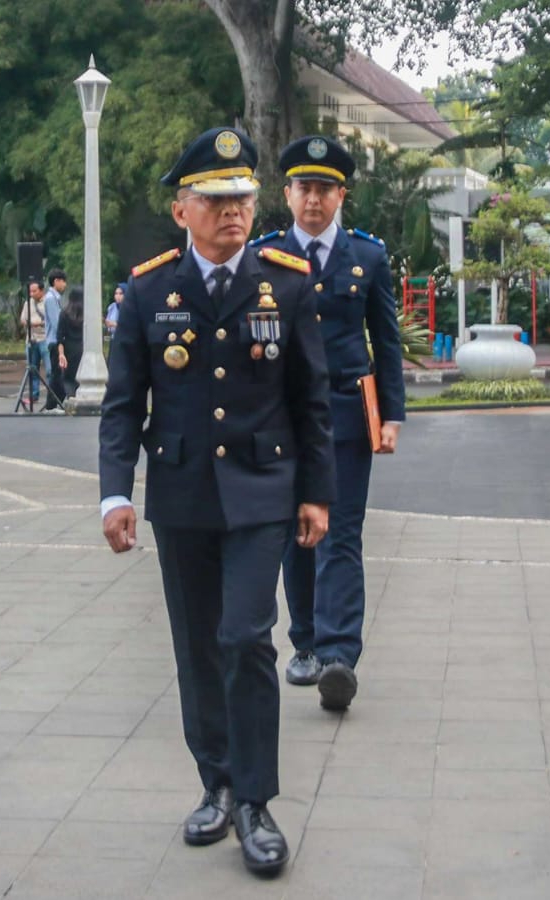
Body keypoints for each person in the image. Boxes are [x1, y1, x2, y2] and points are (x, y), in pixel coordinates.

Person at [98, 126, 333, 878]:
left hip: (264, 491)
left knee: (245, 636)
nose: (233, 212)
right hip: (181, 491)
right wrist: (114, 495)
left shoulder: (288, 281)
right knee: (198, 646)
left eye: (241, 198)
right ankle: (218, 784)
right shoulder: (147, 289)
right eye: (215, 200)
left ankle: (258, 802)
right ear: (181, 210)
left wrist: (317, 495)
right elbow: (123, 404)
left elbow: (311, 399)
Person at [258, 134, 405, 712]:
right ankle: (307, 643)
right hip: (282, 415)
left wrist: (391, 414)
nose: (313, 200)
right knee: (299, 531)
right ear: (287, 193)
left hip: (346, 411)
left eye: (324, 189)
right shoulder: (265, 256)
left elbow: (386, 341)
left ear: (341, 195)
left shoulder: (366, 256)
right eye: (303, 188)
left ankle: (340, 654)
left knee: (341, 531)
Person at [18, 280, 48, 405]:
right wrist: (30, 323)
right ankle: (33, 395)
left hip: (45, 339)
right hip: (31, 339)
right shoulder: (28, 303)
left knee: (50, 369)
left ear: (41, 290)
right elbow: (23, 320)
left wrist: (39, 323)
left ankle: (53, 396)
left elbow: (51, 320)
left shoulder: (48, 302)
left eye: (34, 291)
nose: (32, 294)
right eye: (30, 291)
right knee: (32, 368)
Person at [41, 270, 67, 409]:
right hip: (54, 341)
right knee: (56, 374)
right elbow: (57, 322)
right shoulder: (51, 298)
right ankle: (51, 403)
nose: (65, 284)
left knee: (57, 373)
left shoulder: (54, 297)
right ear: (56, 281)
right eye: (63, 281)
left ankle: (56, 401)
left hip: (55, 340)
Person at [54, 286, 84, 400]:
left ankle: (70, 397)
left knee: (69, 378)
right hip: (83, 347)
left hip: (69, 348)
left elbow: (60, 336)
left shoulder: (64, 313)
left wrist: (61, 354)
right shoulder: (87, 315)